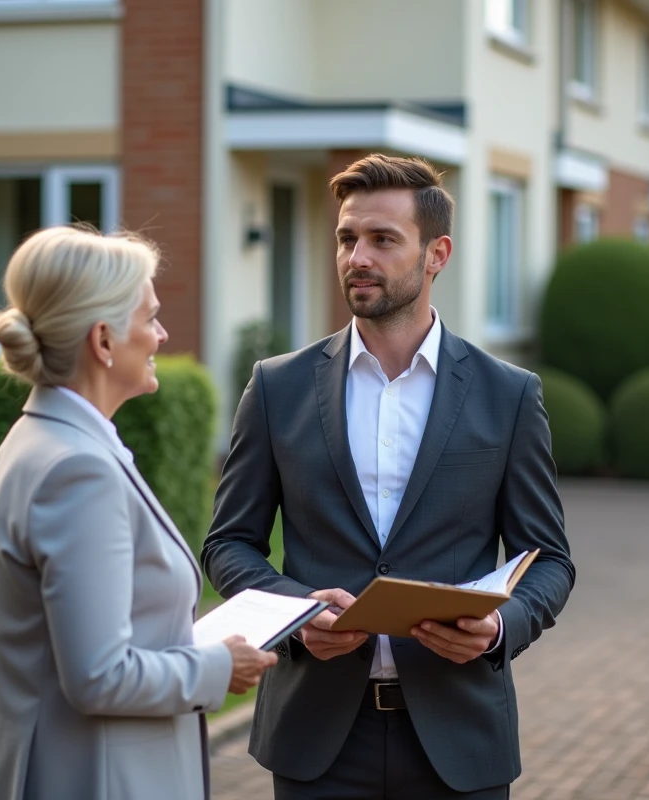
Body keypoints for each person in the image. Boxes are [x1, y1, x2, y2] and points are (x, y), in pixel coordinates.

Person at [202, 154, 576, 799]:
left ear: (437, 254)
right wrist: (294, 615)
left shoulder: (508, 395)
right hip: (315, 741)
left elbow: (548, 560)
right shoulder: (277, 388)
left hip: (459, 739)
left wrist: (498, 632)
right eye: (348, 238)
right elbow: (228, 542)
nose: (357, 258)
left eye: (382, 240)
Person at [0, 225, 277, 800]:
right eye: (151, 317)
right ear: (104, 340)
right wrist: (218, 668)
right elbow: (98, 676)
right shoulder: (77, 470)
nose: (162, 334)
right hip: (94, 777)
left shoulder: (36, 439)